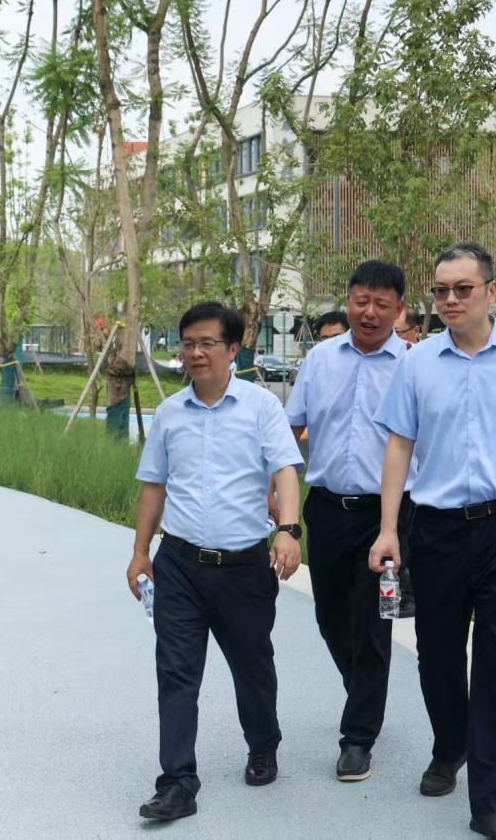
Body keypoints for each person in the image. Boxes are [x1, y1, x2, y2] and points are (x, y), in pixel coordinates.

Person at [369, 243, 496, 840]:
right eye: (441, 290)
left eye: (463, 288)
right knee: (437, 654)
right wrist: (388, 528)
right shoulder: (417, 362)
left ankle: (489, 798)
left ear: (491, 291)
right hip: (435, 528)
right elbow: (399, 446)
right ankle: (450, 745)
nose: (450, 299)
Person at [127, 302, 304, 823]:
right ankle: (177, 782)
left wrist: (288, 529)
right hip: (179, 564)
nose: (196, 353)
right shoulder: (169, 413)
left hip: (244, 568)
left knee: (252, 666)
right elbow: (153, 486)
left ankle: (263, 743)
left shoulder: (261, 407)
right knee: (176, 674)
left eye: (207, 343)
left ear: (233, 349)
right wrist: (140, 552)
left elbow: (286, 469)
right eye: (188, 344)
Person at [284, 260, 411, 783]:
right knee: (330, 617)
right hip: (326, 508)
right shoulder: (320, 359)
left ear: (399, 309)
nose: (370, 312)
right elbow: (291, 427)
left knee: (374, 623)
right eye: (362, 301)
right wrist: (278, 488)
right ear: (348, 299)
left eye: (382, 304)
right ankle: (362, 690)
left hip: (388, 517)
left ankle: (358, 738)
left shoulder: (414, 365)